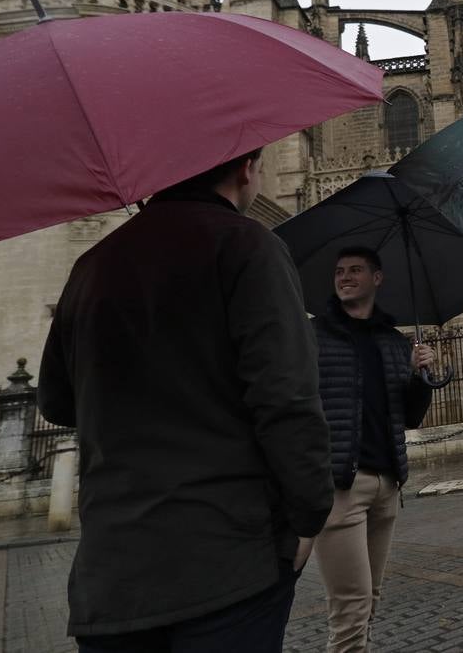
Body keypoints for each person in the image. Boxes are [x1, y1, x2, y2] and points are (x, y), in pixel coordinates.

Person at [38, 148, 334, 653]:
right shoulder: (247, 245)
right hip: (224, 564)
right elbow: (287, 398)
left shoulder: (92, 266)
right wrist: (308, 518)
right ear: (246, 170)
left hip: (111, 573)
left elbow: (56, 401)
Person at [311, 246, 435, 652]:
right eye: (340, 271)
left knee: (370, 602)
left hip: (388, 486)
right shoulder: (316, 336)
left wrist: (421, 377)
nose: (345, 277)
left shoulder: (393, 341)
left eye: (355, 270)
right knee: (350, 610)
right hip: (343, 488)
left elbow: (410, 418)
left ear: (377, 278)